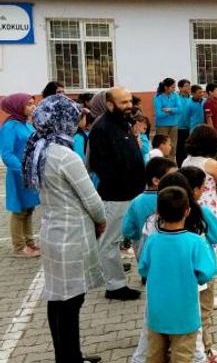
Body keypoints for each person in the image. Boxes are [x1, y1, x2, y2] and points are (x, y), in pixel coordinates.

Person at [22, 95, 106, 363]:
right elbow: (90, 197)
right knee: (71, 302)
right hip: (72, 234)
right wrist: (101, 219)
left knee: (57, 299)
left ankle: (67, 355)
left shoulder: (39, 148)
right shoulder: (65, 155)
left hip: (51, 231)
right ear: (63, 120)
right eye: (77, 116)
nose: (81, 120)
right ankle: (70, 358)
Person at [139, 187, 217, 363]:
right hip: (185, 314)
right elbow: (207, 272)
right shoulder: (195, 241)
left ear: (158, 212)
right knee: (182, 356)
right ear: (187, 211)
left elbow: (143, 269)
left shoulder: (152, 240)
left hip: (157, 312)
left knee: (154, 356)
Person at [88, 86, 145, 301]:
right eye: (124, 102)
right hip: (116, 196)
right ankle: (115, 286)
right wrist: (121, 182)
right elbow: (99, 164)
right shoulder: (101, 128)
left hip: (136, 193)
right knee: (110, 242)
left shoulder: (124, 124)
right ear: (110, 105)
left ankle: (147, 272)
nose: (129, 106)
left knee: (141, 236)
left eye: (130, 101)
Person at [182, 124, 217, 323]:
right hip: (207, 212)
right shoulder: (211, 164)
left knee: (195, 254)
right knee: (208, 256)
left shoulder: (186, 160)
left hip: (190, 210)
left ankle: (201, 294)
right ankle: (206, 297)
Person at [1, 93, 40, 257]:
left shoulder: (27, 124)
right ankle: (19, 247)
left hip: (31, 172)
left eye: (33, 103)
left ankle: (30, 243)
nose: (33, 107)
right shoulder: (10, 127)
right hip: (19, 174)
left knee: (29, 209)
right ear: (18, 106)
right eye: (29, 104)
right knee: (19, 211)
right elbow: (7, 153)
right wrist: (22, 170)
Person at [121, 156, 177, 257]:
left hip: (143, 250)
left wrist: (139, 236)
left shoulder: (136, 201)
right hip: (170, 248)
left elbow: (127, 229)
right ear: (156, 181)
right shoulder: (174, 199)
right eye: (173, 178)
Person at [154, 78, 181, 161]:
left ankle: (172, 163)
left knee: (173, 146)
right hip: (162, 125)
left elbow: (180, 109)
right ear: (166, 87)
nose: (174, 89)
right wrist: (174, 110)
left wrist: (169, 109)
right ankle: (162, 163)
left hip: (174, 124)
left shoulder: (175, 95)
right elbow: (159, 114)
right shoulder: (158, 97)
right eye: (172, 87)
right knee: (162, 145)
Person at [203, 83, 217, 165]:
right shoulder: (207, 103)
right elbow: (208, 118)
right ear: (210, 92)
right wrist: (212, 132)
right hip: (213, 131)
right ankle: (214, 166)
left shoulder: (215, 100)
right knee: (216, 150)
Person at [175, 79, 192, 167]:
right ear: (180, 88)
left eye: (189, 85)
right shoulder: (175, 98)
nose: (188, 87)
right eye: (186, 86)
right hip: (178, 127)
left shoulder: (192, 98)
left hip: (190, 127)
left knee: (189, 148)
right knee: (180, 149)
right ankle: (180, 166)